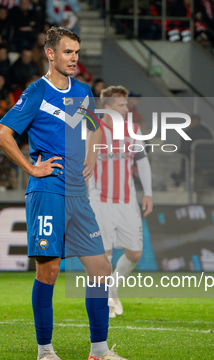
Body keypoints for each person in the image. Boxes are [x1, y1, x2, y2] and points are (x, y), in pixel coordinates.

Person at [0, 26, 141, 360]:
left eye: (77, 52)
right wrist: (31, 167)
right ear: (51, 54)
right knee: (50, 271)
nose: (74, 58)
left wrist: (91, 155)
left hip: (78, 194)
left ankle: (100, 352)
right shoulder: (36, 92)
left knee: (101, 270)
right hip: (48, 192)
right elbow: (1, 134)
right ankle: (45, 351)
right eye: (68, 52)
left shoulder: (84, 92)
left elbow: (93, 127)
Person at [88, 86, 153, 318]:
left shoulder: (133, 129)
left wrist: (148, 193)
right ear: (108, 108)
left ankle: (112, 287)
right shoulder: (94, 130)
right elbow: (84, 165)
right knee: (104, 256)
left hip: (127, 201)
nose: (127, 109)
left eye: (126, 105)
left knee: (135, 253)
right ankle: (105, 300)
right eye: (121, 105)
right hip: (100, 200)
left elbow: (142, 162)